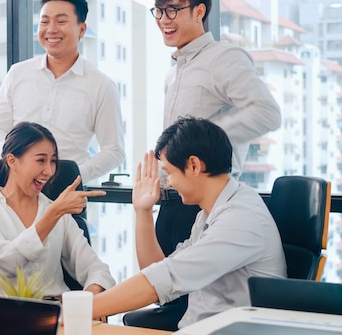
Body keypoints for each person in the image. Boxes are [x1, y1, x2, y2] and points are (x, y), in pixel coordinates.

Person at [129, 0, 282, 329]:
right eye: (158, 11)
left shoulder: (222, 59)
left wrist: (200, 145)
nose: (164, 20)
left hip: (202, 198)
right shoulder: (173, 72)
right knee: (165, 297)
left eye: (173, 10)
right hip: (174, 201)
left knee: (176, 292)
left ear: (200, 11)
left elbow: (267, 113)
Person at [93, 117, 286, 329]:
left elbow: (165, 279)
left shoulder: (241, 218)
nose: (170, 182)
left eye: (169, 172)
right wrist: (143, 211)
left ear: (193, 165)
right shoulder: (209, 213)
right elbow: (160, 277)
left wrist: (82, 309)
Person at [0, 0, 125, 184]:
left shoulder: (101, 85)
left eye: (61, 21)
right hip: (15, 188)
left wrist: (73, 176)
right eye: (44, 21)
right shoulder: (18, 73)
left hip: (65, 192)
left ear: (81, 29)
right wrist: (14, 160)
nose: (51, 29)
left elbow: (114, 151)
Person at [0, 122, 115, 298]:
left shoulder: (59, 215)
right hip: (2, 316)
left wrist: (90, 299)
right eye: (41, 160)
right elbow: (7, 263)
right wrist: (54, 213)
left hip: (56, 315)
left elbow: (97, 270)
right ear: (12, 161)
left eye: (53, 161)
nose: (49, 171)